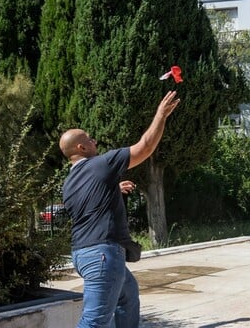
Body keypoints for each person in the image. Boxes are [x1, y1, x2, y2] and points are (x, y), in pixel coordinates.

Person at [59, 90, 180, 328]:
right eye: (91, 139)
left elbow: (90, 204)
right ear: (82, 148)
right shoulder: (101, 163)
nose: (95, 142)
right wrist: (161, 115)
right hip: (102, 255)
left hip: (81, 254)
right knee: (94, 322)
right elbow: (144, 147)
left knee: (128, 295)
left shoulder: (69, 183)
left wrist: (113, 187)